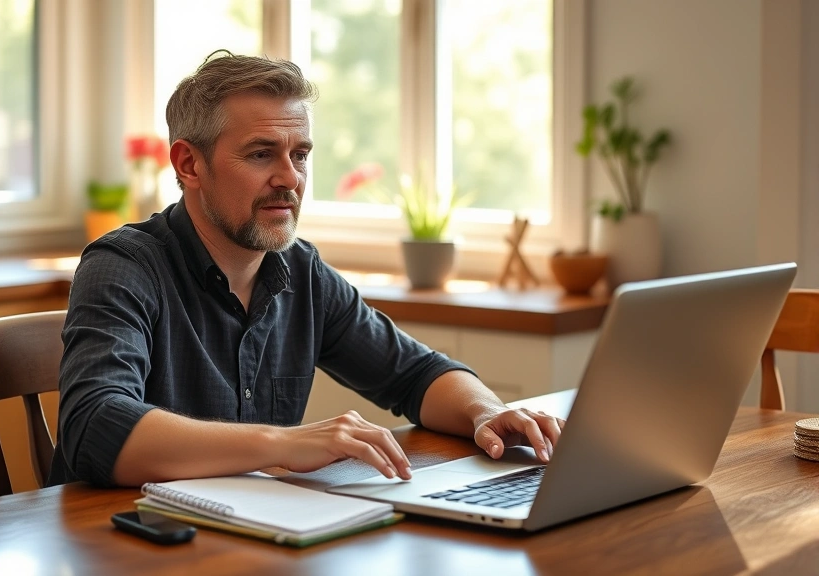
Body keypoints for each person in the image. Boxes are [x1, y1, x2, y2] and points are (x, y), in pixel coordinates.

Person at [49, 51, 564, 488]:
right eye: (260, 154)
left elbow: (416, 374)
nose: (290, 178)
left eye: (300, 154)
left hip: (249, 539)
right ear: (189, 165)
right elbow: (96, 425)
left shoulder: (301, 271)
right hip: (122, 545)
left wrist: (485, 411)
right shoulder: (123, 266)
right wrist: (283, 444)